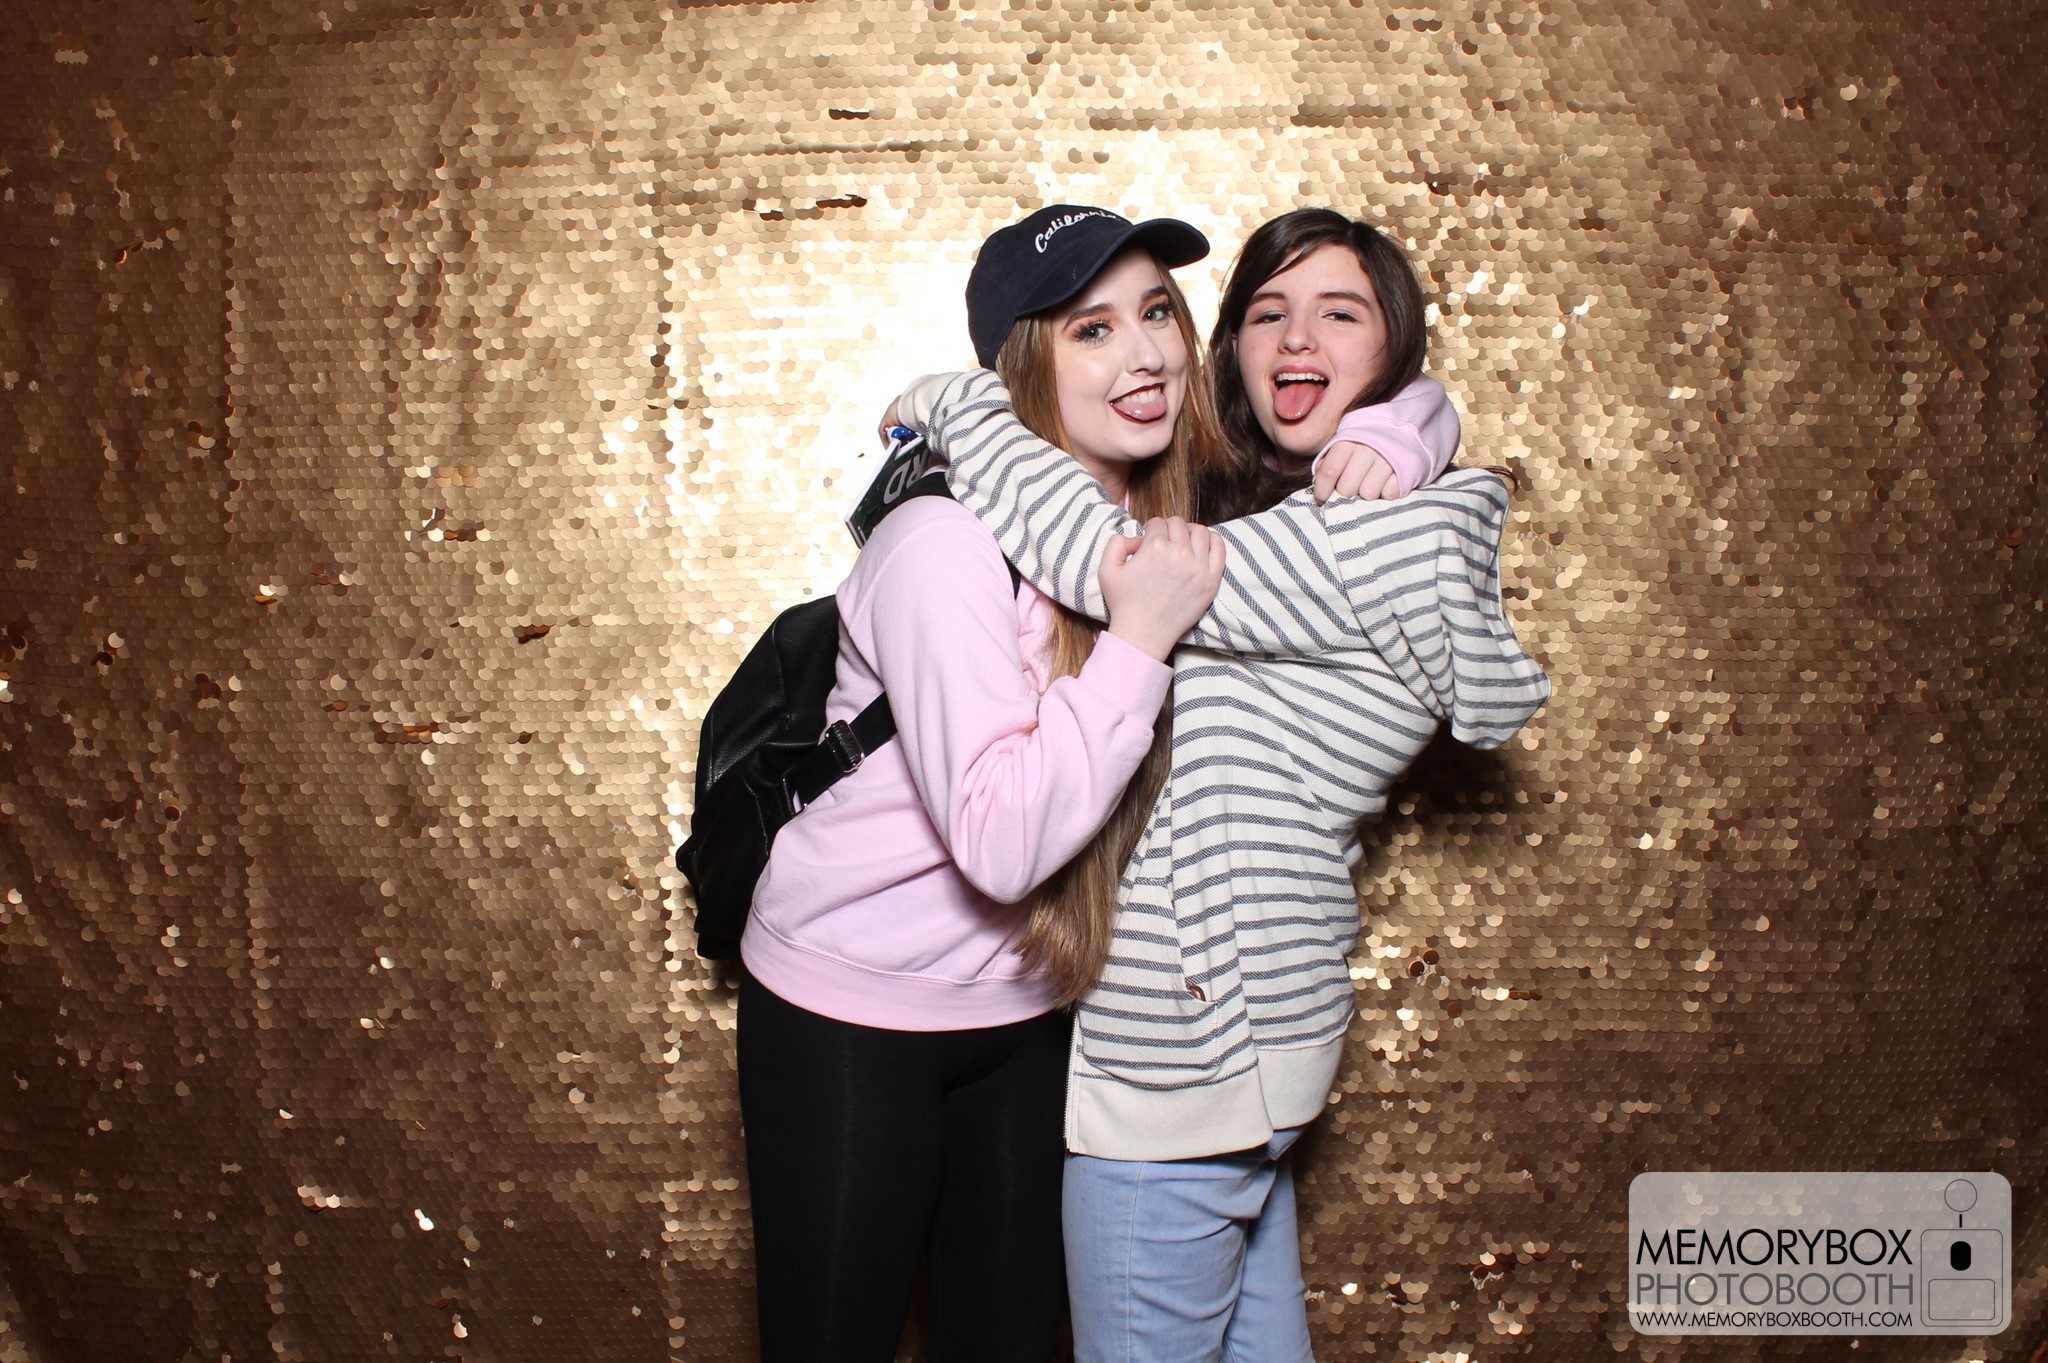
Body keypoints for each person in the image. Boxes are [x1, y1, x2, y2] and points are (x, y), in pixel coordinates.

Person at [888, 206, 1553, 1362]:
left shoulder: (1375, 538)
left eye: (1339, 314)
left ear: (1394, 342)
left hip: (1185, 1065)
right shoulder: (1277, 509)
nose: (1295, 339)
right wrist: (1412, 416)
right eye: (1266, 313)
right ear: (1231, 346)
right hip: (1244, 1045)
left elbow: (1111, 564)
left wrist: (962, 402)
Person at [736, 207, 1229, 1363]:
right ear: (1023, 367)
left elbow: (1336, 400)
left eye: (1156, 313)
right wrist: (1137, 644)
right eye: (1091, 330)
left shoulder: (1142, 526)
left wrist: (1403, 435)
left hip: (1028, 1009)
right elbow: (1000, 843)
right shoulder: (941, 541)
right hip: (849, 1005)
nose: (1144, 354)